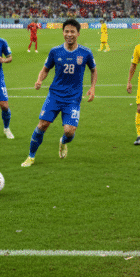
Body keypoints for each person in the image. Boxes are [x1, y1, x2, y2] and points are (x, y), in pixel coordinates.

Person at [21, 19, 97, 167]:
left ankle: (63, 142)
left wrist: (92, 87)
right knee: (42, 125)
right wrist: (39, 80)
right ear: (63, 33)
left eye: (72, 32)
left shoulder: (85, 52)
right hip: (55, 96)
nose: (69, 34)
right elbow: (45, 69)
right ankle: (31, 156)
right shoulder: (55, 51)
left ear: (78, 34)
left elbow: (93, 70)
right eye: (66, 31)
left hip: (73, 98)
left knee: (69, 132)